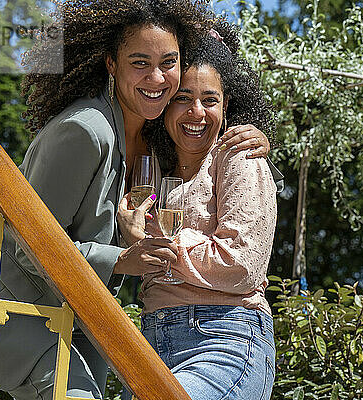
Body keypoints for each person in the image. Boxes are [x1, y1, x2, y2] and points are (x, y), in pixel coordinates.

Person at [0, 1, 271, 398]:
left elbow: (224, 189)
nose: (157, 77)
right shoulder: (85, 131)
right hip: (16, 312)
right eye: (139, 62)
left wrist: (255, 139)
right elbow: (28, 243)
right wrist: (121, 259)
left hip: (85, 324)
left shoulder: (154, 145)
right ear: (110, 63)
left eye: (169, 62)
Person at [118, 22, 277, 400]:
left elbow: (241, 264)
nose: (197, 112)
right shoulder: (149, 166)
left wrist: (156, 247)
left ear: (228, 106)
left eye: (210, 100)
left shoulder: (239, 156)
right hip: (151, 343)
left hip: (226, 340)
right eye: (183, 98)